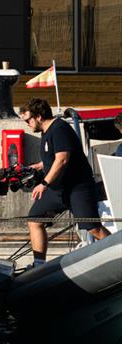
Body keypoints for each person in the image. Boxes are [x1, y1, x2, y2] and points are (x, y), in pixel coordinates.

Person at [20, 98, 111, 265]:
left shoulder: (59, 129)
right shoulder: (46, 131)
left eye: (28, 120)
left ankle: (116, 254)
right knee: (34, 220)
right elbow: (53, 156)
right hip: (58, 189)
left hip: (77, 187)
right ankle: (39, 264)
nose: (27, 124)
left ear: (39, 116)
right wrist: (39, 166)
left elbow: (62, 159)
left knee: (92, 227)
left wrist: (44, 183)